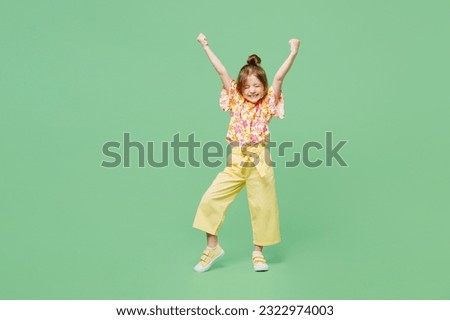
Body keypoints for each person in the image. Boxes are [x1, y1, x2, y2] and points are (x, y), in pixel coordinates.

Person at [193, 32, 300, 272]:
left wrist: (293, 52)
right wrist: (205, 46)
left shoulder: (268, 103)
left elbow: (280, 76)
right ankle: (212, 248)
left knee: (263, 205)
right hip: (236, 159)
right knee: (211, 199)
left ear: (264, 87)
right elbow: (221, 72)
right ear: (240, 88)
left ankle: (258, 253)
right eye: (247, 86)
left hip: (260, 158)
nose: (252, 90)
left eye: (257, 86)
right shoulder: (235, 100)